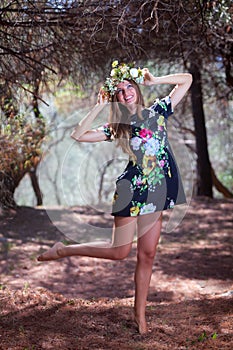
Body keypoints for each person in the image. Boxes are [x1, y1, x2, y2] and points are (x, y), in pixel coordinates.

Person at [38, 61, 192, 334]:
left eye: (129, 87)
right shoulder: (118, 126)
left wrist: (154, 80)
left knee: (148, 254)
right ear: (116, 98)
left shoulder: (158, 111)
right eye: (119, 91)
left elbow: (187, 79)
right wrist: (98, 106)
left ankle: (140, 316)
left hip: (157, 190)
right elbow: (79, 134)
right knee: (119, 252)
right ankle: (62, 249)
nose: (126, 93)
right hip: (131, 190)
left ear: (137, 88)